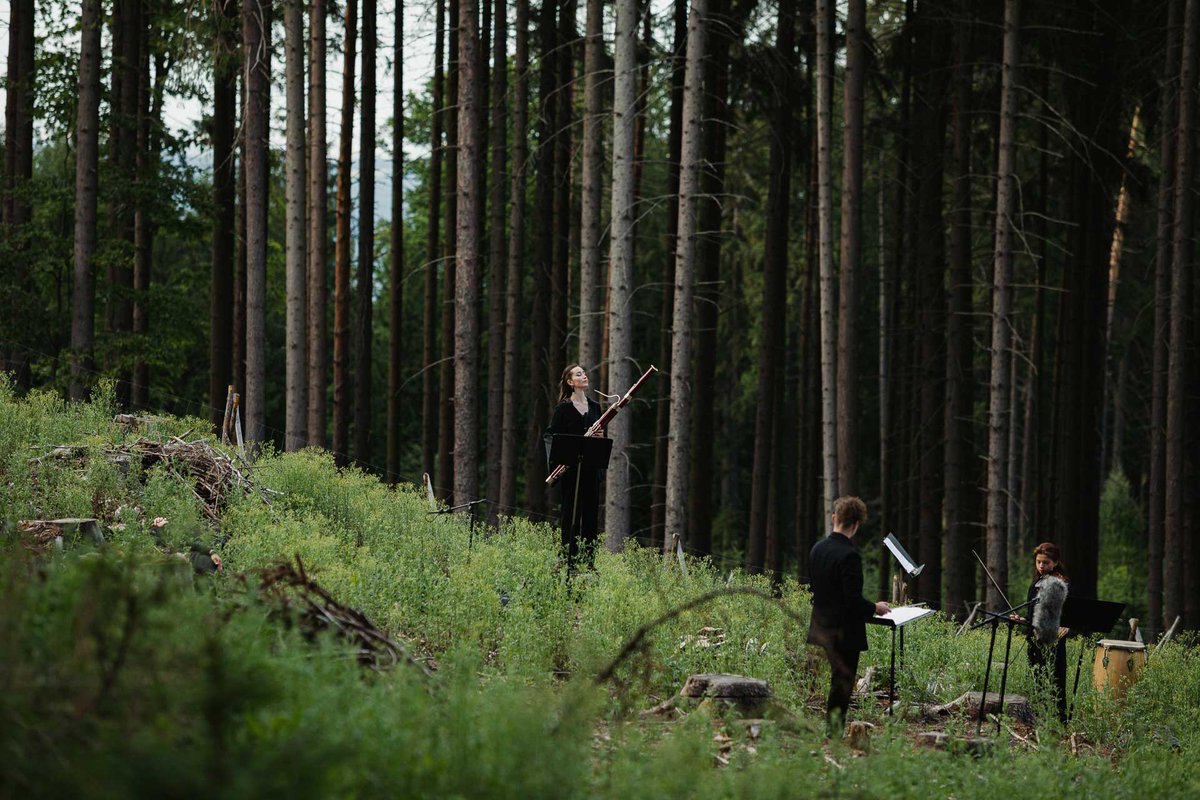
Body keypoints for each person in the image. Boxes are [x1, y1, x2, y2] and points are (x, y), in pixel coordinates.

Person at [806, 496, 891, 735]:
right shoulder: (849, 555)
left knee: (837, 681)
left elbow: (817, 589)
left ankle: (832, 732)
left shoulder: (817, 549)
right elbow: (852, 601)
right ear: (855, 525)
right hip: (843, 632)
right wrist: (875, 607)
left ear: (835, 519)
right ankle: (833, 734)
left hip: (821, 626)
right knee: (841, 683)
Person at [543, 365, 604, 572]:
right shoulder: (563, 408)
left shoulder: (596, 407)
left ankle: (589, 562)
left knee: (590, 517)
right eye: (578, 374)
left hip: (591, 470)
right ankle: (568, 560)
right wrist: (558, 461)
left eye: (583, 373)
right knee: (571, 514)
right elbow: (551, 436)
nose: (584, 375)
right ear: (570, 382)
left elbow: (601, 439)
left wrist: (599, 437)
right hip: (570, 471)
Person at [1026, 541, 1069, 722]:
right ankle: (1038, 718)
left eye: (1046, 563)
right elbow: (1031, 613)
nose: (1042, 566)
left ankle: (1059, 721)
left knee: (1056, 681)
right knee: (1037, 680)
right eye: (1039, 562)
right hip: (1034, 639)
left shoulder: (1061, 583)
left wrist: (1067, 625)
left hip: (1054, 639)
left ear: (1056, 562)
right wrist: (1024, 621)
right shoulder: (1035, 584)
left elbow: (1068, 611)